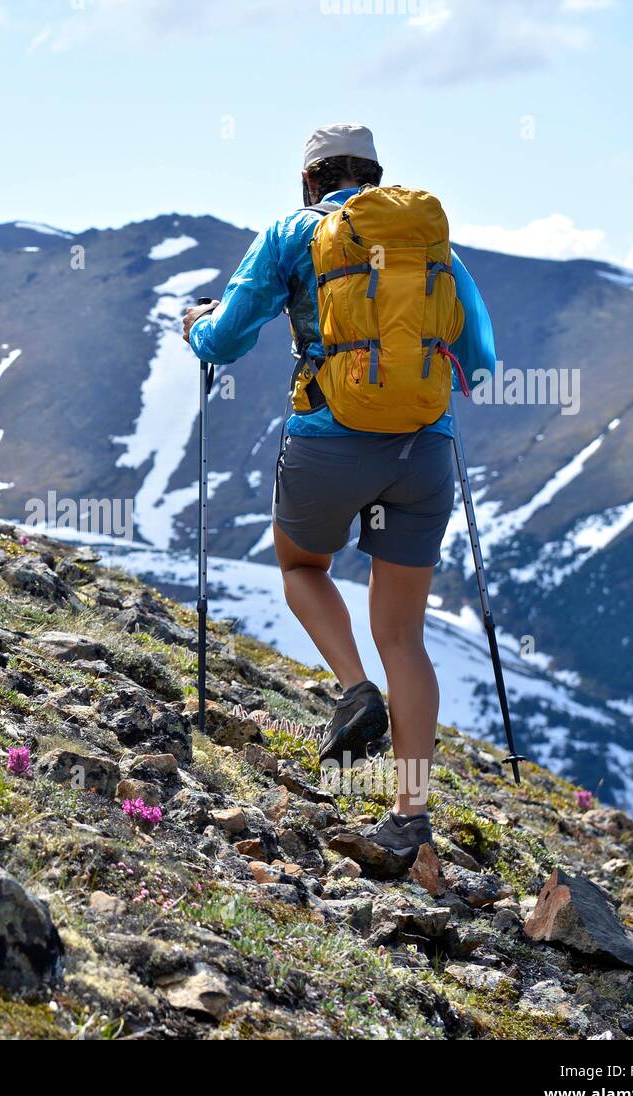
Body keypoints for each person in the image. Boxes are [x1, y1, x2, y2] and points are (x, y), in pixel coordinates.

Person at [182, 123, 496, 863]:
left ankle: (355, 690)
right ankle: (409, 815)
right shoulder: (428, 244)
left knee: (302, 568)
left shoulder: (294, 232)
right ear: (379, 177)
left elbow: (227, 338)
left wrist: (195, 327)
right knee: (405, 634)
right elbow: (477, 360)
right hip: (424, 450)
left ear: (309, 182)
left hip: (328, 441)